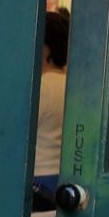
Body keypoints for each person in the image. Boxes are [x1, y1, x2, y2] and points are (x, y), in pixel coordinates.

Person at [32, 10, 69, 204]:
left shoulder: (42, 86)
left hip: (37, 185)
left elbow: (16, 139)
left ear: (45, 48)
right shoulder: (72, 85)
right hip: (63, 184)